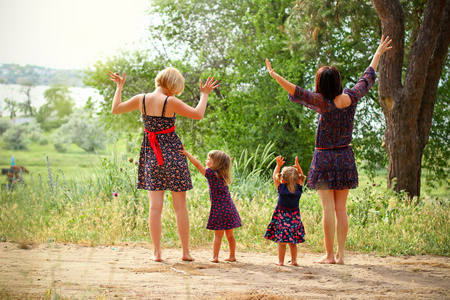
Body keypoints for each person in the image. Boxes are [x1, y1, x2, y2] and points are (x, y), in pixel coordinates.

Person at [266, 36, 392, 264]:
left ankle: (329, 255)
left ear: (322, 85)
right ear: (337, 82)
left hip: (324, 158)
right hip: (344, 156)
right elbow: (367, 78)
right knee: (341, 209)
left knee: (328, 209)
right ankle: (341, 256)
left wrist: (275, 76)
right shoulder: (351, 97)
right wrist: (378, 53)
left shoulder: (323, 103)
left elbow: (297, 91)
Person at [109, 67, 219, 262]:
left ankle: (157, 253)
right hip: (174, 156)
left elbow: (115, 109)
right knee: (180, 206)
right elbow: (198, 114)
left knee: (155, 207)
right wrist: (204, 95)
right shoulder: (171, 102)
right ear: (173, 85)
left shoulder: (141, 99)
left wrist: (119, 86)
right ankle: (185, 253)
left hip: (151, 155)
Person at [180, 148, 242, 263]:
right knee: (230, 235)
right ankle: (232, 256)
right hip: (230, 208)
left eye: (209, 159)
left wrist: (188, 154)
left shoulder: (211, 174)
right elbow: (225, 164)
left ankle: (215, 257)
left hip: (219, 209)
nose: (206, 160)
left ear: (216, 163)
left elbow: (198, 165)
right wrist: (227, 160)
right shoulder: (224, 173)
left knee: (218, 235)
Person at [264, 156, 306, 266]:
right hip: (294, 218)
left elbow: (274, 177)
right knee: (293, 242)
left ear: (282, 180)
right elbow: (302, 178)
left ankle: (280, 261)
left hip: (282, 217)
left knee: (282, 242)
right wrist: (299, 167)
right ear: (298, 180)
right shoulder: (298, 189)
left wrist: (278, 166)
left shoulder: (282, 189)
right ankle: (294, 261)